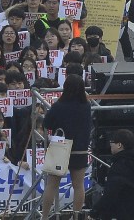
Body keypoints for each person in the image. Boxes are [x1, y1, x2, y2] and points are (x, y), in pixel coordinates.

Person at [41, 75, 91, 219]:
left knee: (52, 185)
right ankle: (76, 216)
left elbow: (47, 124)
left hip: (60, 147)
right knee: (78, 185)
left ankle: (44, 216)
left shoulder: (59, 106)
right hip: (80, 149)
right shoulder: (86, 106)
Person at [89, 129, 134, 220]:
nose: (110, 144)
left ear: (119, 145)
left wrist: (94, 212)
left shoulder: (119, 166)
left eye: (112, 142)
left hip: (127, 212)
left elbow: (111, 193)